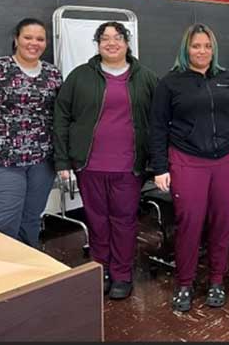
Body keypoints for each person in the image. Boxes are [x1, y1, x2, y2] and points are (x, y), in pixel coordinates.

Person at [149, 23, 229, 313]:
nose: (202, 51)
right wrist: (160, 167)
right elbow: (157, 127)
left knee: (222, 223)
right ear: (186, 49)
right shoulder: (170, 83)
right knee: (190, 223)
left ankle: (217, 280)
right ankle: (184, 283)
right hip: (187, 160)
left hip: (225, 160)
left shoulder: (227, 79)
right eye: (196, 46)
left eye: (207, 46)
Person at [54, 21, 158, 300]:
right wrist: (63, 162)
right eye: (105, 39)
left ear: (127, 42)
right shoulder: (79, 77)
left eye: (117, 37)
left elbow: (159, 122)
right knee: (97, 221)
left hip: (129, 167)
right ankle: (101, 270)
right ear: (97, 44)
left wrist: (159, 162)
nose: (111, 43)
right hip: (89, 165)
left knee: (124, 222)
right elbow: (61, 117)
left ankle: (122, 274)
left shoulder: (146, 78)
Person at [0, 18, 62, 248]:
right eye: (28, 37)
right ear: (16, 39)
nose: (34, 43)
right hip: (1, 161)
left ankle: (29, 276)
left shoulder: (53, 74)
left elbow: (60, 115)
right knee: (3, 223)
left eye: (40, 39)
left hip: (42, 162)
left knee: (31, 221)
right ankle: (2, 277)